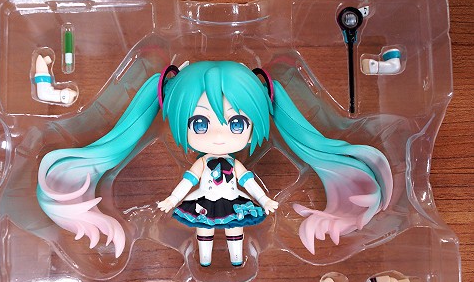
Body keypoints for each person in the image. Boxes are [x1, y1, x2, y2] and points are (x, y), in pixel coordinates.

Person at [37, 61, 392, 264]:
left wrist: (265, 200)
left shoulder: (233, 166)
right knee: (204, 232)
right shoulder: (203, 164)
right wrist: (171, 199)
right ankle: (205, 259)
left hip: (232, 202)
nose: (220, 135)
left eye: (236, 124)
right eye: (199, 124)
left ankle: (236, 258)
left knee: (235, 232)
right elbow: (187, 182)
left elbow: (248, 180)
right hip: (204, 204)